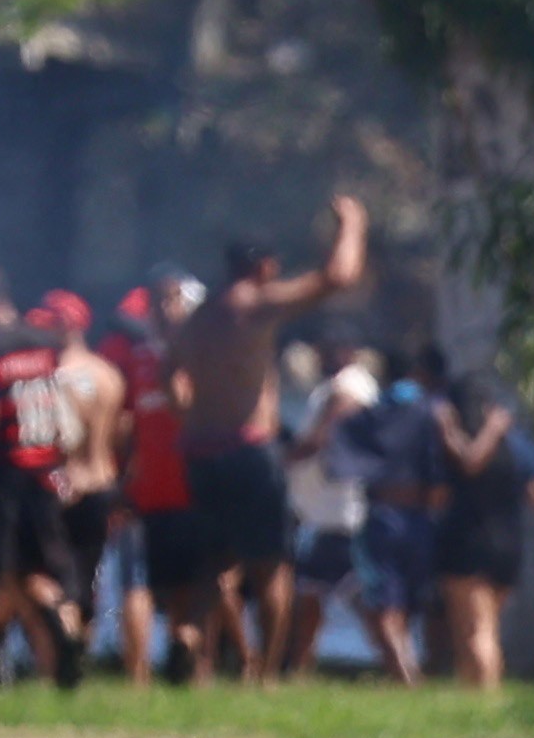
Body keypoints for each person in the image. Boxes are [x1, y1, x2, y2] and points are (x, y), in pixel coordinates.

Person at [170, 196, 369, 682]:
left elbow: (169, 378)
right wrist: (354, 223)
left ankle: (188, 637)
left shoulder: (200, 316)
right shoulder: (256, 304)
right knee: (272, 563)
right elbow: (338, 276)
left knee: (213, 560)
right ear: (263, 267)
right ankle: (269, 672)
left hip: (199, 450)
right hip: (247, 447)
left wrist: (192, 415)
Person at [0, 267, 90, 687]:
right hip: (45, 470)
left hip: (4, 472)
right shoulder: (44, 342)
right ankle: (60, 635)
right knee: (35, 570)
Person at [100, 273, 209, 684]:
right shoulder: (158, 356)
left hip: (183, 486)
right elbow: (126, 424)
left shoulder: (150, 356)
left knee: (173, 584)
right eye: (161, 301)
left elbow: (125, 423)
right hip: (161, 490)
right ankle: (163, 667)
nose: (166, 309)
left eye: (173, 300)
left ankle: (168, 666)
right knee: (153, 583)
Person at [279, 335, 382, 674]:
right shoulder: (342, 386)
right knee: (313, 597)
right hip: (326, 513)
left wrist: (286, 459)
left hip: (341, 512)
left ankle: (402, 670)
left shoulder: (349, 386)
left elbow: (326, 432)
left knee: (360, 601)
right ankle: (298, 668)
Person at [35, 293, 128, 653]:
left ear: (69, 325)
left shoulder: (58, 377)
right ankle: (82, 652)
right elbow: (120, 434)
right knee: (89, 577)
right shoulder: (108, 373)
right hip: (104, 484)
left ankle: (63, 651)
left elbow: (60, 438)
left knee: (56, 578)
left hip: (66, 487)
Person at [432, 368, 533, 691]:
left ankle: (487, 698)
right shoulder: (513, 447)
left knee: (475, 631)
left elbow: (470, 462)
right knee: (486, 628)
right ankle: (474, 695)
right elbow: (533, 492)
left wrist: (448, 428)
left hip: (468, 542)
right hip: (508, 544)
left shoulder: (459, 443)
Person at [349, 351, 446, 684]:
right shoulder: (434, 412)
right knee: (417, 603)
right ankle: (414, 671)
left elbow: (343, 461)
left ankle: (405, 677)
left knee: (385, 605)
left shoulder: (376, 411)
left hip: (382, 514)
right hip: (422, 517)